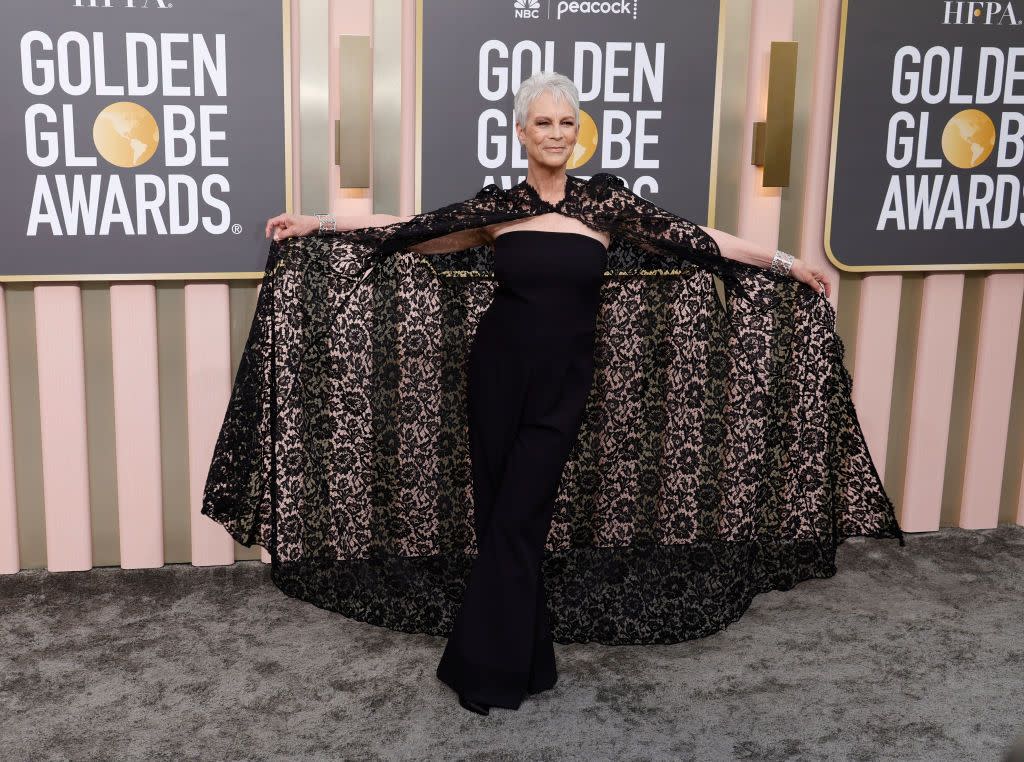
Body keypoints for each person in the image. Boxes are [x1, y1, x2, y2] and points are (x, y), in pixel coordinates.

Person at [257, 72, 843, 716]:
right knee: (499, 517)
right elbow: (407, 228)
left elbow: (702, 240)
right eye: (544, 123)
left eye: (567, 123)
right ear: (521, 133)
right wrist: (319, 222)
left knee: (519, 516)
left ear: (578, 133)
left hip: (564, 382)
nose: (557, 134)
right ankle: (531, 658)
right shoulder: (498, 210)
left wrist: (785, 263)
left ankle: (485, 668)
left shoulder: (607, 208)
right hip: (495, 375)